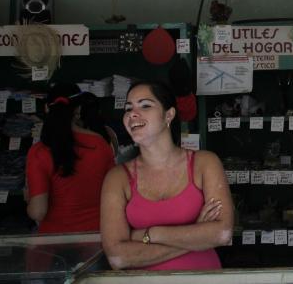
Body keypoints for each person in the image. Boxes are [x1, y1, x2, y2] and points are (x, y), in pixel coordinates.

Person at [100, 80, 233, 271]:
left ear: (168, 115)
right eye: (128, 109)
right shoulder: (117, 178)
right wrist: (196, 235)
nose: (132, 114)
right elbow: (118, 257)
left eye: (145, 105)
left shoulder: (204, 163)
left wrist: (149, 235)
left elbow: (222, 233)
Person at [24, 83, 115, 233]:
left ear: (47, 108)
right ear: (78, 109)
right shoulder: (99, 143)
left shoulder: (39, 151)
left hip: (54, 242)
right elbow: (113, 191)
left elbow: (38, 212)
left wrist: (28, 200)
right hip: (95, 237)